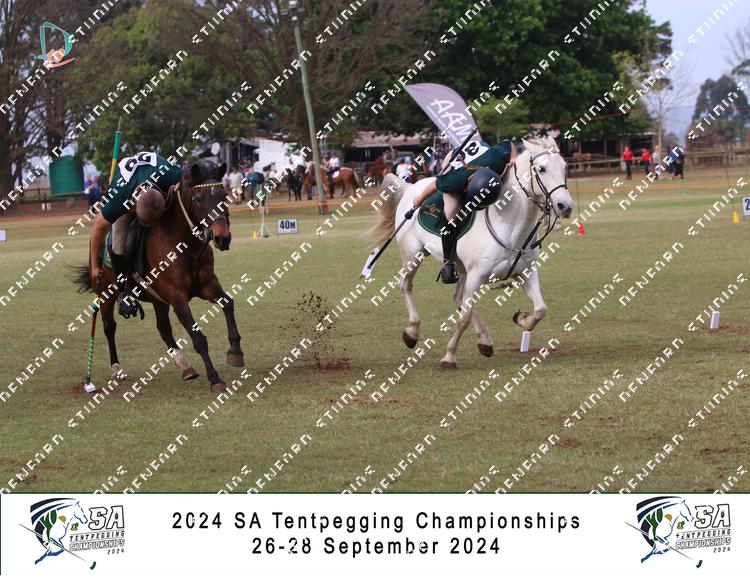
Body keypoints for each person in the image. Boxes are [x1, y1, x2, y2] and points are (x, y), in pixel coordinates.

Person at [88, 152, 182, 318]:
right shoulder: (119, 197)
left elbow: (186, 181)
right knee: (117, 243)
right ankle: (122, 293)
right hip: (127, 186)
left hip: (154, 180)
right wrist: (95, 266)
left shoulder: (169, 174)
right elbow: (98, 228)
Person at [410, 139, 516, 284]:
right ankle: (448, 263)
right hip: (455, 160)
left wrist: (513, 157)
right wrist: (419, 199)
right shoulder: (457, 179)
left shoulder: (497, 159)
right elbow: (435, 184)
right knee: (450, 214)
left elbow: (508, 143)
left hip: (482, 155)